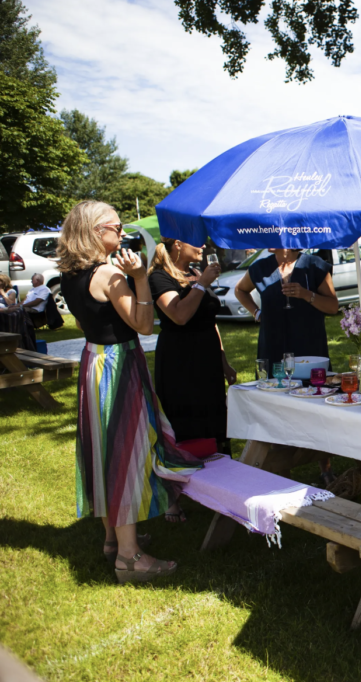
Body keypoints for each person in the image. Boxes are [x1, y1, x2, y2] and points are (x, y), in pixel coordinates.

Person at [56, 201, 202, 583]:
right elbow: (144, 325)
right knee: (127, 453)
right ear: (92, 231)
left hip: (94, 361)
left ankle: (111, 539)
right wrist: (139, 278)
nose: (122, 233)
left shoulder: (71, 273)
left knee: (104, 450)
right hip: (119, 365)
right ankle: (129, 556)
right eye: (115, 227)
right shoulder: (109, 274)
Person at [235, 248, 339, 485]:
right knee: (275, 405)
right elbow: (240, 290)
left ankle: (326, 467)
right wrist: (256, 312)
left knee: (317, 404)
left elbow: (333, 306)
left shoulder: (314, 266)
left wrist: (306, 295)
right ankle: (281, 471)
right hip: (273, 346)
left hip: (309, 345)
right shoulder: (260, 268)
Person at [149, 238, 237, 461]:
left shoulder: (197, 273)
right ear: (178, 244)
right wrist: (201, 285)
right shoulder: (159, 277)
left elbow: (210, 321)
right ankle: (188, 468)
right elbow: (179, 316)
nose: (203, 247)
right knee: (188, 417)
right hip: (181, 361)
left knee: (213, 416)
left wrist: (223, 361)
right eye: (197, 243)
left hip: (207, 358)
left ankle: (219, 470)